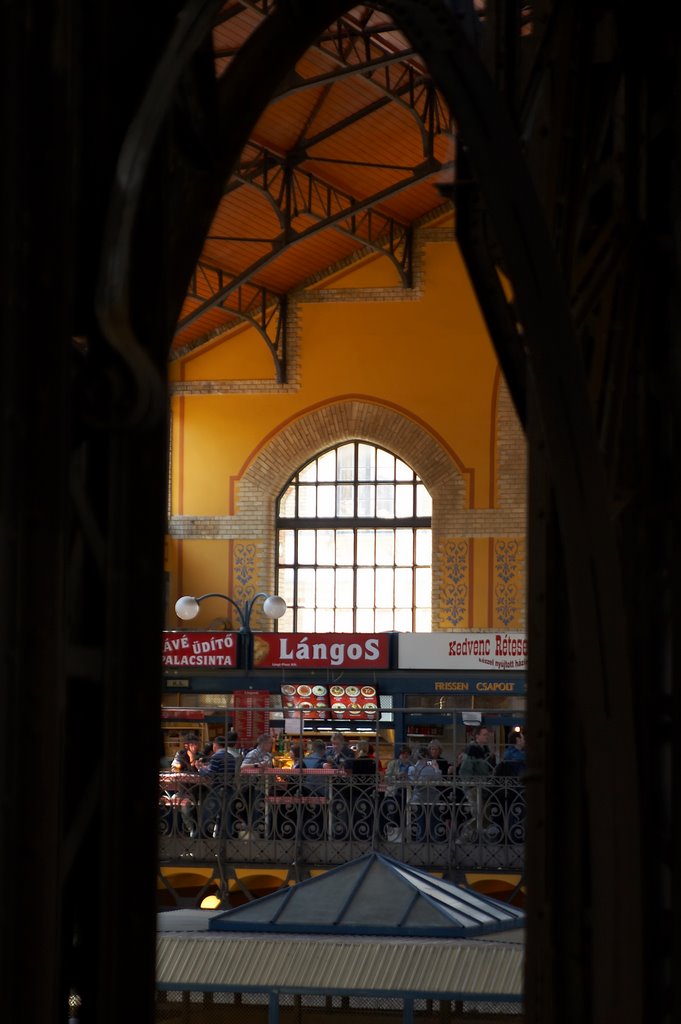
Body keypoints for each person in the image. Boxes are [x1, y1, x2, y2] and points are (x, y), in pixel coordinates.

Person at [458, 725, 496, 839]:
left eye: (487, 735)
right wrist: (471, 783)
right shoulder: (472, 751)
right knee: (479, 813)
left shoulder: (485, 751)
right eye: (484, 735)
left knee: (486, 813)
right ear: (477, 736)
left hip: (485, 787)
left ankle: (477, 838)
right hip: (474, 788)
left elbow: (489, 768)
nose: (487, 737)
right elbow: (465, 770)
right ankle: (466, 835)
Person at [408, 746, 443, 842]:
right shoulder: (431, 768)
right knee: (433, 820)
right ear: (427, 757)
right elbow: (439, 780)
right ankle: (434, 839)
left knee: (420, 820)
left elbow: (413, 783)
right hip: (432, 798)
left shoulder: (411, 768)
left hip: (418, 798)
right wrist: (436, 768)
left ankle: (420, 839)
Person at [381, 744, 412, 839]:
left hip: (407, 792)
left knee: (406, 815)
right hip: (394, 792)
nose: (405, 756)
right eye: (403, 754)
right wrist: (397, 776)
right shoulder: (393, 764)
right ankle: (393, 837)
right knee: (393, 815)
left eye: (407, 754)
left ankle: (405, 837)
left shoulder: (412, 765)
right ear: (399, 755)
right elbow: (386, 779)